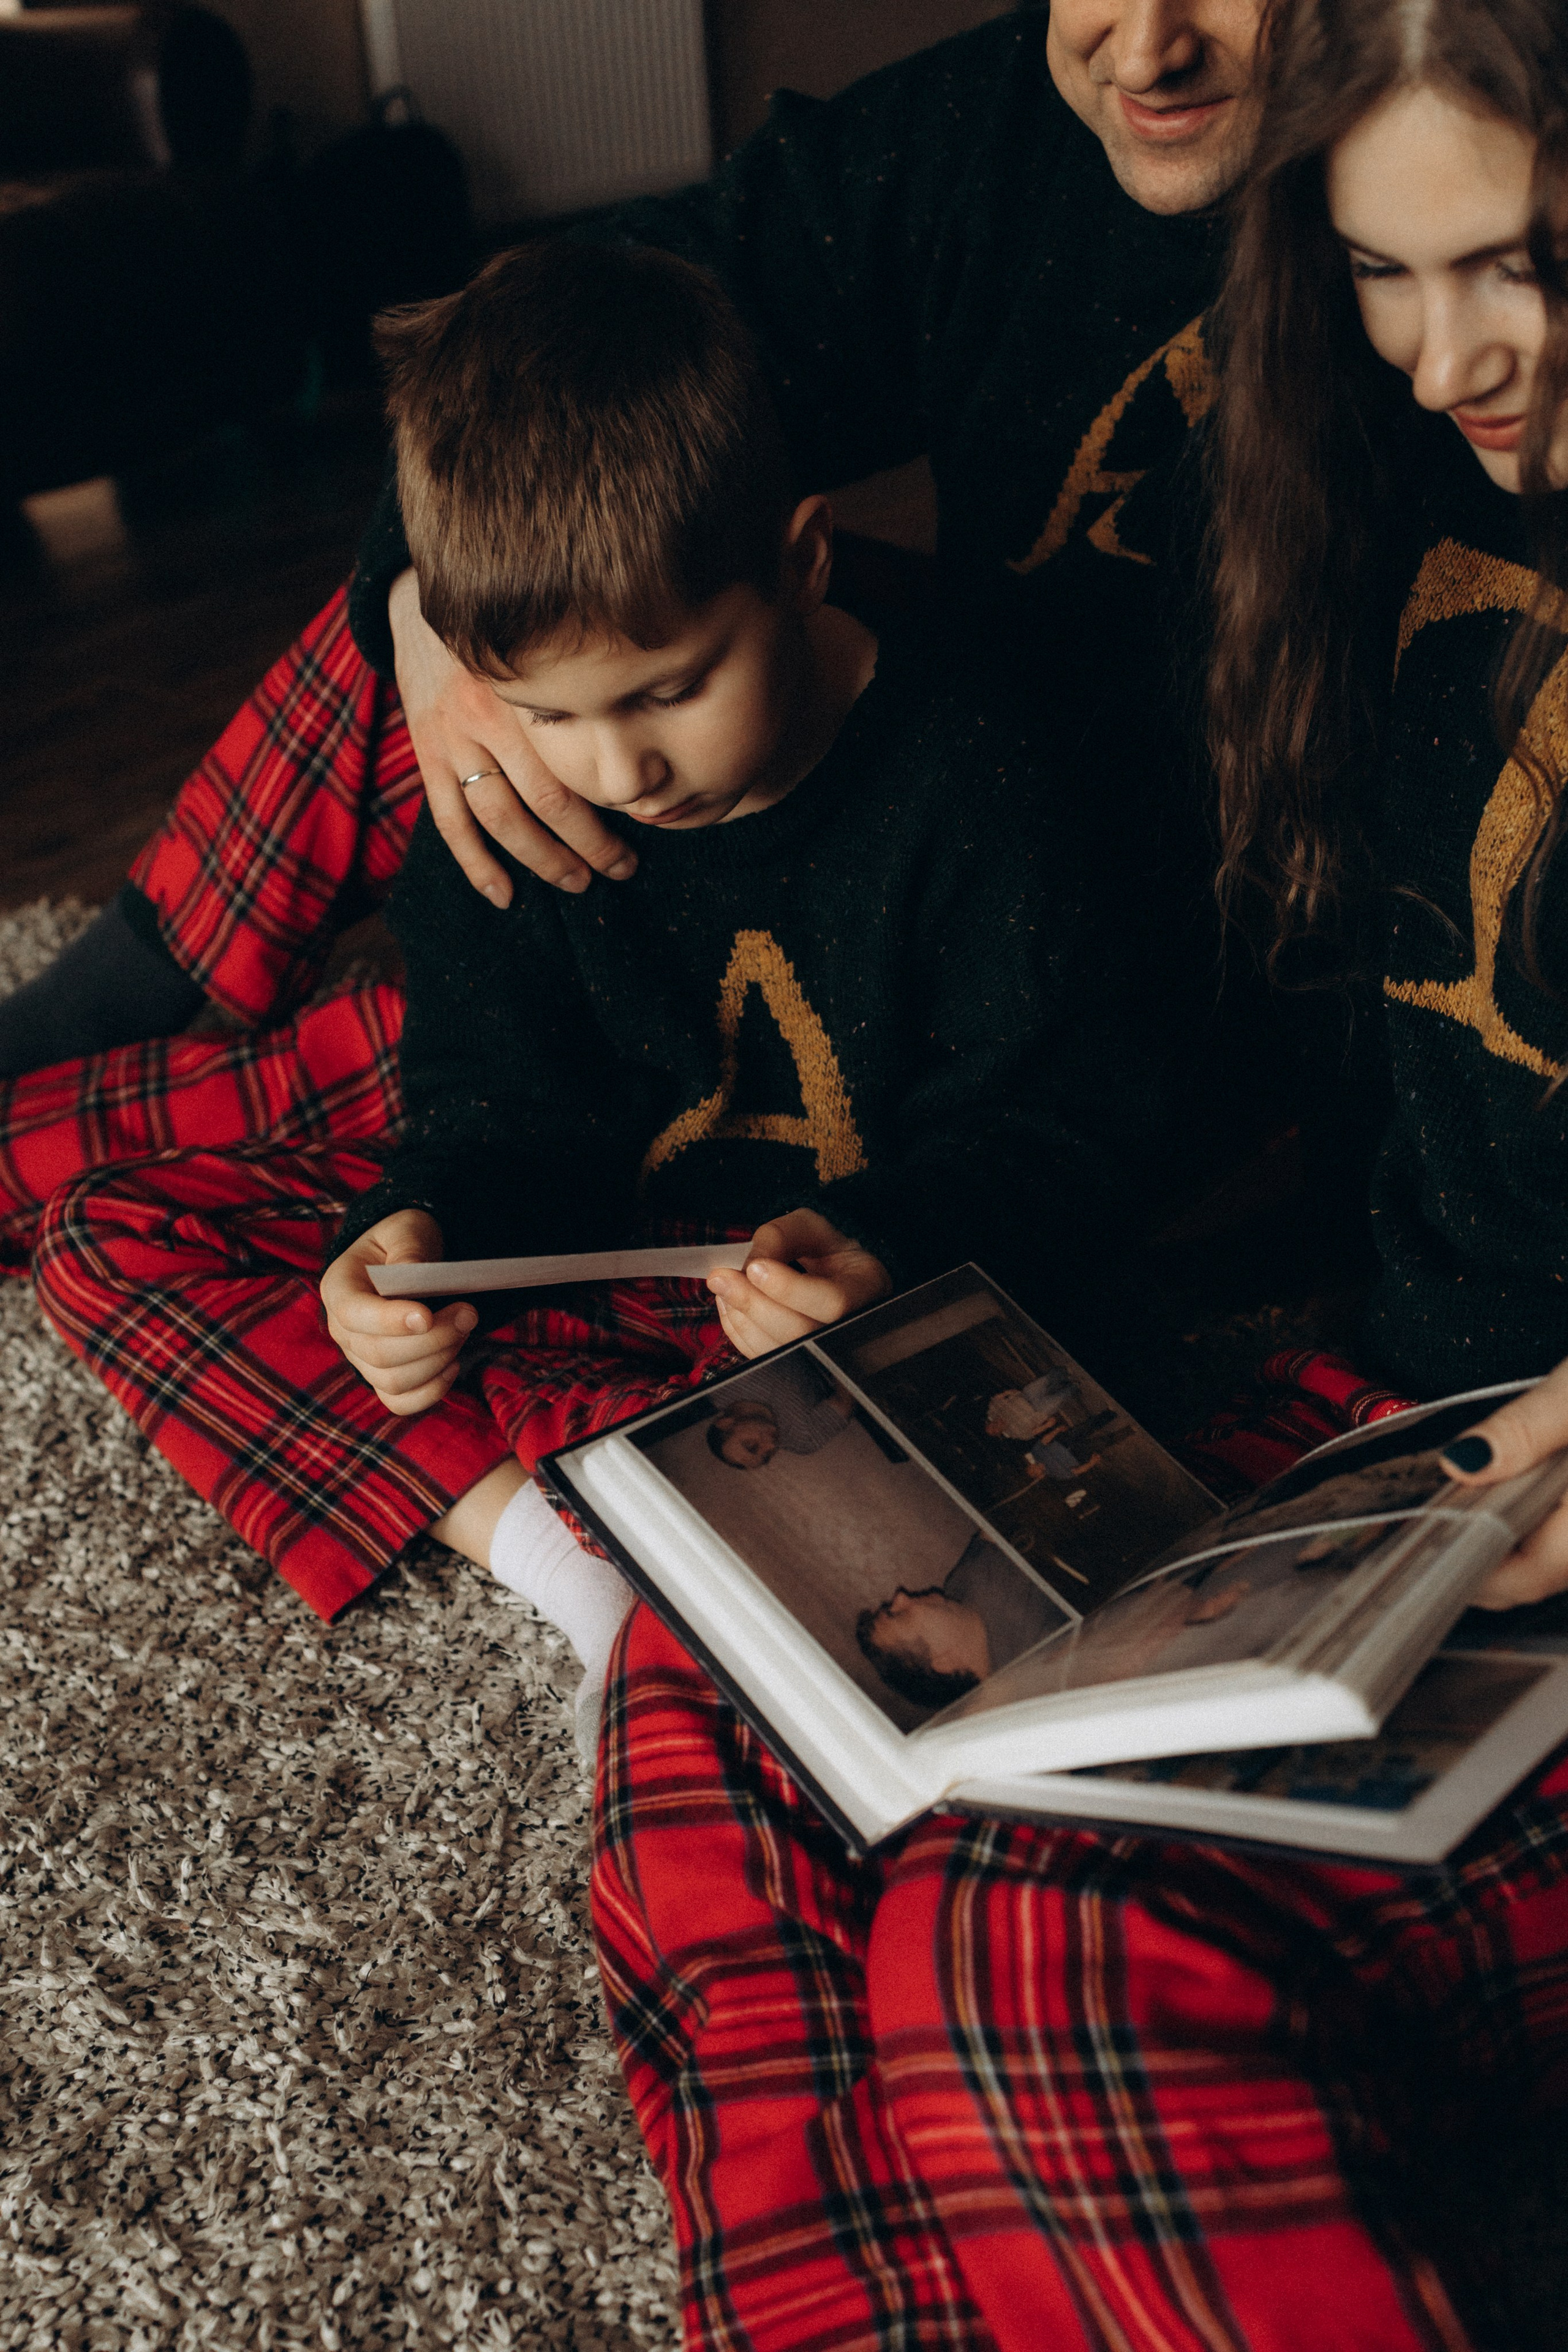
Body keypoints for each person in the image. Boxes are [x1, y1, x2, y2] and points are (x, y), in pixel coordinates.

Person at [587, 6, 1568, 2346]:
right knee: (721, 1674)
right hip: (1401, 1409)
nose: (1448, 354)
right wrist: (937, 1256)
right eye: (1379, 270)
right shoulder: (1360, 458)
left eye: (1522, 261)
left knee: (1031, 1950)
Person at [0, 3, 1272, 1297]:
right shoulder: (997, 122)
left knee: (607, 703)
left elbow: (1066, 1111)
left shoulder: (1398, 247)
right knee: (513, 613)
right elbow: (584, 313)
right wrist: (423, 616)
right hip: (718, 837)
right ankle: (115, 1002)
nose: (1144, 46)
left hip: (1030, 862)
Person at [32, 238, 1117, 1749]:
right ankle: (567, 1561)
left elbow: (1065, 1129)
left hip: (834, 1332)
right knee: (107, 1231)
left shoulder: (975, 771)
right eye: (548, 712)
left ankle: (665, 1542)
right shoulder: (512, 796)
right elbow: (494, 1108)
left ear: (803, 561)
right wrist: (414, 1236)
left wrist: (888, 1243)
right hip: (595, 1287)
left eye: (670, 689)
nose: (620, 768)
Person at [855, 1528, 1064, 1706]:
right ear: (944, 1662)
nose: (900, 1597)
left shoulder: (957, 1586)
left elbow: (1005, 1517)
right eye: (898, 1615)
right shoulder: (1041, 1658)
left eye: (889, 1606)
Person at [706, 1360, 858, 1471]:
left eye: (751, 1446)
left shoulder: (721, 1386)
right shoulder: (803, 1441)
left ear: (726, 1423)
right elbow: (845, 1399)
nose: (771, 1446)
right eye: (766, 1456)